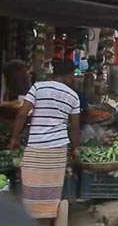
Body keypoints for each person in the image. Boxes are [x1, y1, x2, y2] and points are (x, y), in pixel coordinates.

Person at [10, 59, 80, 220]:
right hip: (57, 148)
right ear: (69, 75)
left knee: (32, 186)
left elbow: (22, 114)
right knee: (51, 188)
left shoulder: (38, 87)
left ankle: (31, 217)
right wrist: (75, 148)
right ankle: (48, 217)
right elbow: (75, 128)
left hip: (36, 146)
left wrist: (14, 137)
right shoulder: (73, 96)